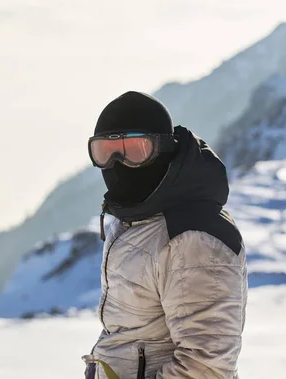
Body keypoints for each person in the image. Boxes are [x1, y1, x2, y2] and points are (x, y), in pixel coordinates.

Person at [82, 91, 248, 379]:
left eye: (135, 149)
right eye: (105, 152)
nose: (118, 163)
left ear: (162, 149)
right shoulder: (139, 220)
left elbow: (206, 366)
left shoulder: (193, 237)